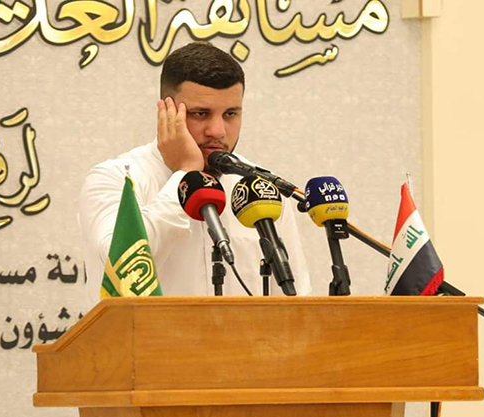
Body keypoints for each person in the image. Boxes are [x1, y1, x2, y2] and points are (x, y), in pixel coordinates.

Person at [79, 42, 312, 305]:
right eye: (201, 114)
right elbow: (122, 266)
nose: (218, 131)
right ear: (167, 113)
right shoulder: (117, 179)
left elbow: (296, 302)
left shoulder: (259, 190)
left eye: (230, 114)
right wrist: (186, 173)